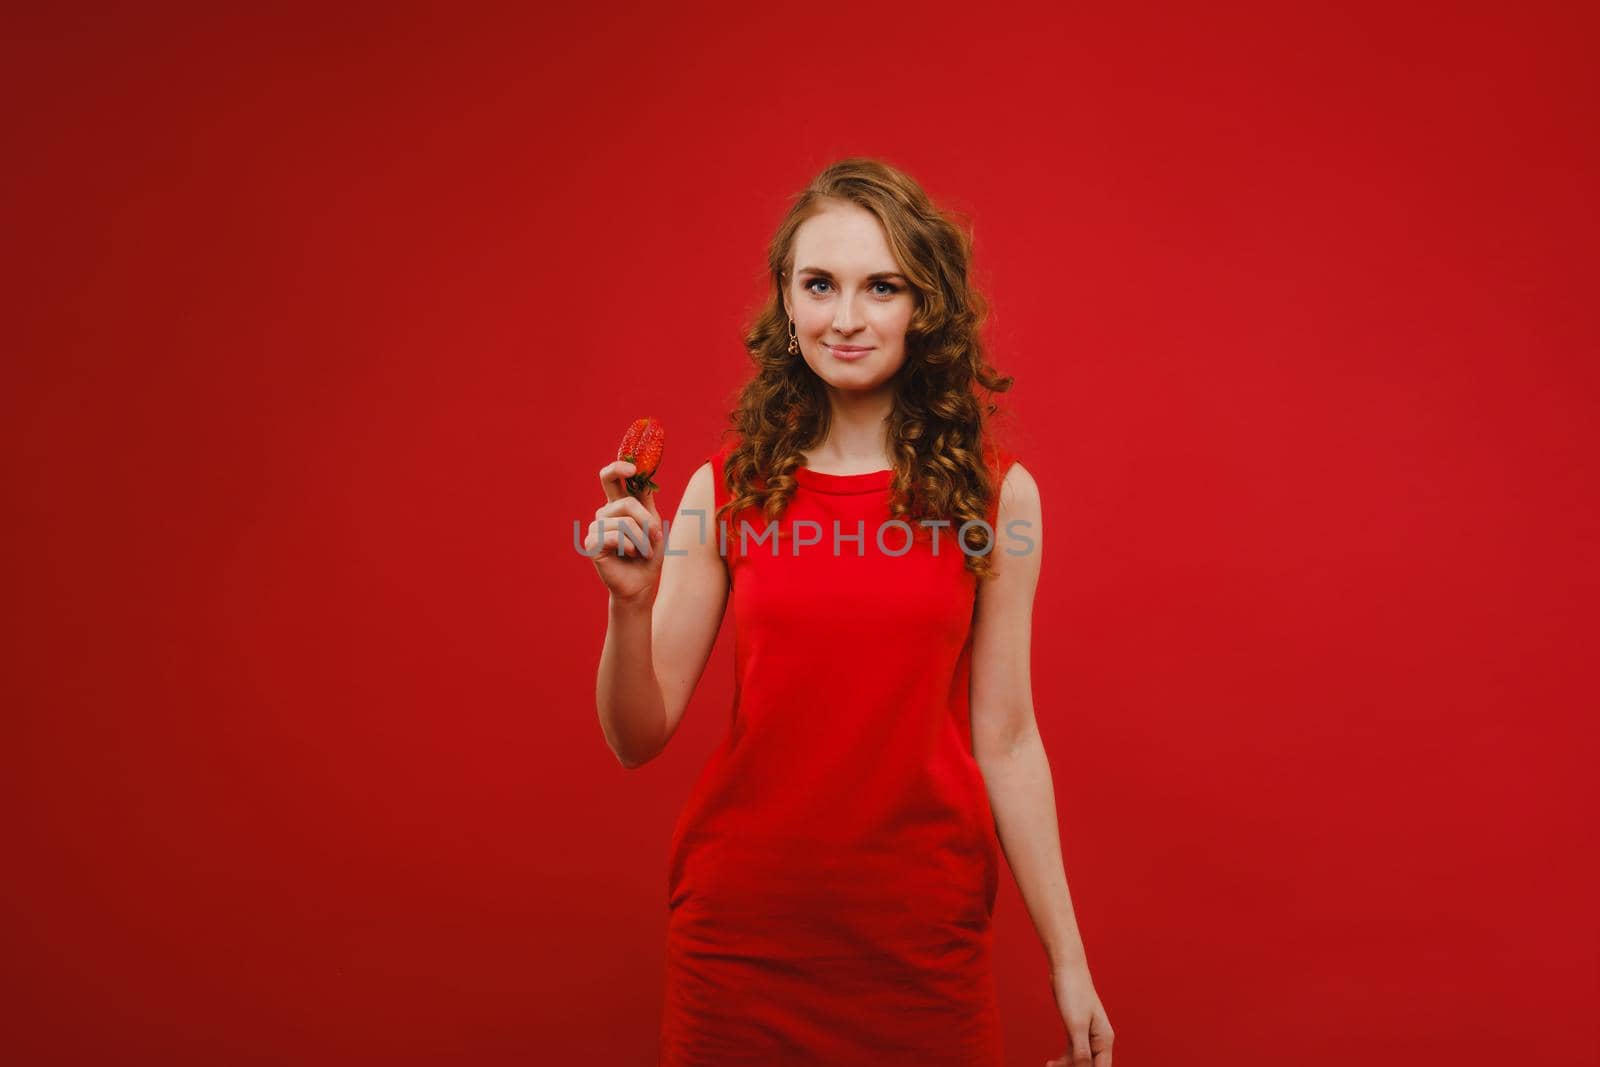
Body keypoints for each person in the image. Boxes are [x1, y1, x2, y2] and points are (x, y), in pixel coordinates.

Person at [585, 158, 1113, 1066]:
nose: (847, 317)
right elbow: (637, 737)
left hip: (919, 948)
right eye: (819, 284)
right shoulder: (728, 489)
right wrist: (628, 611)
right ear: (787, 305)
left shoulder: (995, 498)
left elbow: (1010, 738)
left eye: (882, 287)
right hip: (741, 945)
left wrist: (1069, 959)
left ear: (925, 308)